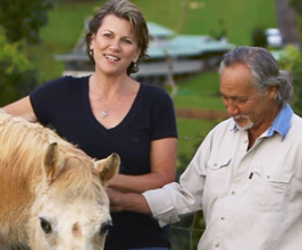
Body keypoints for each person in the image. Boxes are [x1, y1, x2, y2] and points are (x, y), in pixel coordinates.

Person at [0, 1, 177, 249]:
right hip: (70, 242)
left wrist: (97, 179)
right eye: (108, 35)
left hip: (142, 241)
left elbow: (163, 179)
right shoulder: (60, 93)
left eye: (127, 40)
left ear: (137, 52)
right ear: (92, 41)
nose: (114, 46)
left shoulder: (156, 103)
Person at [111, 46, 302, 249]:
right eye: (225, 98)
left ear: (271, 90)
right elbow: (186, 196)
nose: (230, 110)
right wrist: (122, 201)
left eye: (241, 100)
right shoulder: (220, 135)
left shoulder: (298, 141)